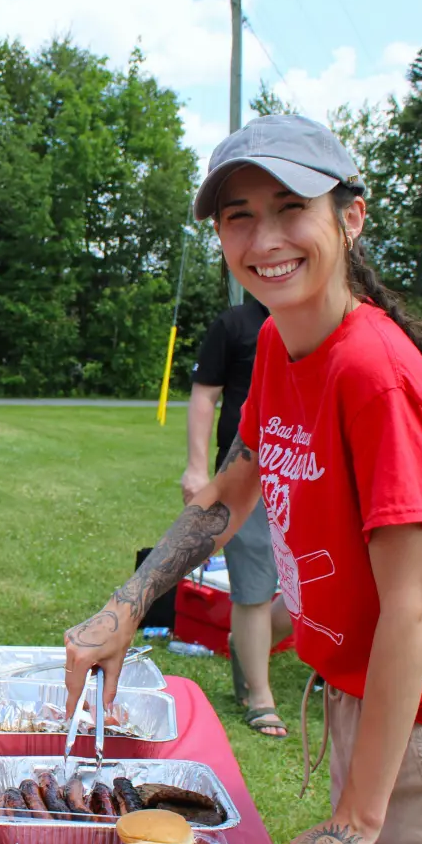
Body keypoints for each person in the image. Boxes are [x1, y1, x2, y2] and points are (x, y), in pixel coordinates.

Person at [63, 115, 422, 844]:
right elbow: (235, 483)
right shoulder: (284, 342)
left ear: (351, 219)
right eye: (238, 215)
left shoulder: (374, 373)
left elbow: (412, 609)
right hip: (377, 702)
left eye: (291, 207)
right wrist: (126, 606)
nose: (264, 237)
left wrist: (355, 820)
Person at [183, 296, 294, 737]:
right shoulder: (235, 324)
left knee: (318, 589)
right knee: (254, 586)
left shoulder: (317, 320)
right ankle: (260, 694)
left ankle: (247, 642)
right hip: (246, 471)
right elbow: (205, 395)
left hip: (309, 470)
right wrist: (196, 467)